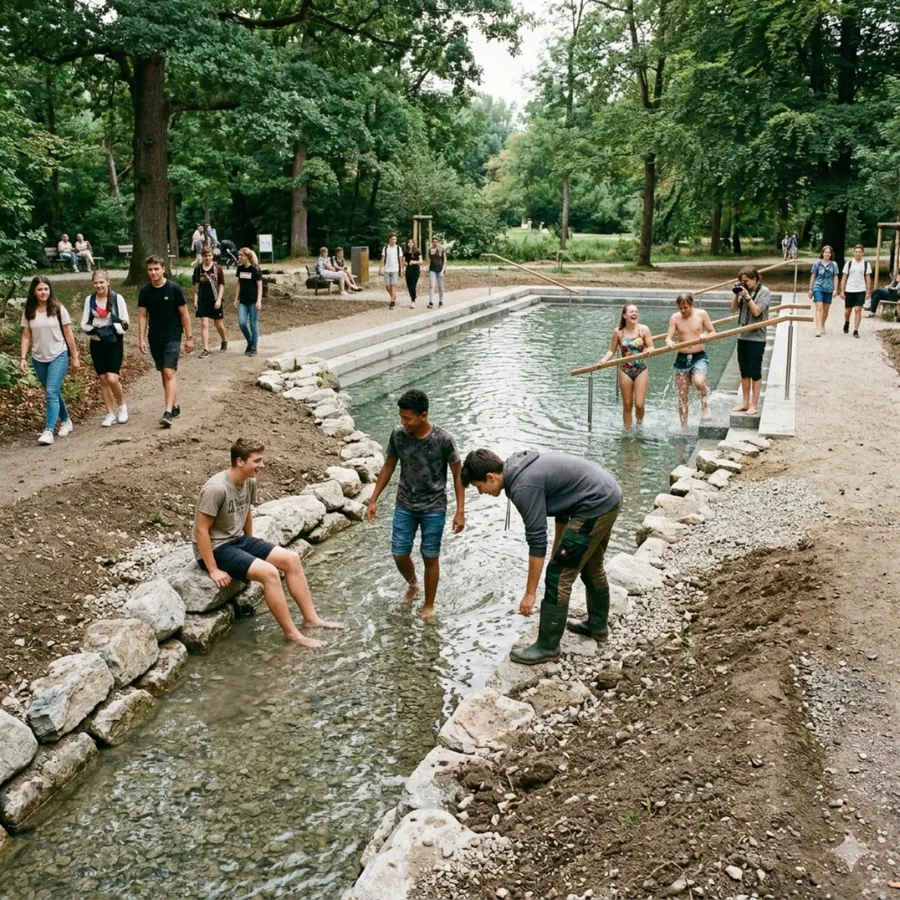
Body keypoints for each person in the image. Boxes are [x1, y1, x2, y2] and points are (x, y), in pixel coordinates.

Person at [461, 448, 622, 665]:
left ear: (491, 477)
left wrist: (530, 593)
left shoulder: (523, 487)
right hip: (607, 495)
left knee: (557, 576)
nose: (481, 493)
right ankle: (597, 626)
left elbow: (537, 540)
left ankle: (547, 647)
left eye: (479, 487)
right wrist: (559, 549)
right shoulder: (519, 468)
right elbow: (564, 503)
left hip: (595, 504)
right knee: (591, 566)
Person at [193, 438, 343, 646]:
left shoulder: (249, 481)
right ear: (240, 461)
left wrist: (251, 542)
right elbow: (201, 530)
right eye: (257, 461)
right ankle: (294, 635)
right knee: (270, 573)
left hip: (238, 540)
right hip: (216, 548)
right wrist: (213, 570)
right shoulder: (216, 488)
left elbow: (246, 512)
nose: (262, 465)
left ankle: (311, 619)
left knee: (291, 559)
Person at [366, 389, 465, 618]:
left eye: (407, 418)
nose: (403, 422)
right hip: (405, 504)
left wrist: (460, 511)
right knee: (399, 553)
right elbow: (388, 466)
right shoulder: (398, 435)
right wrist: (373, 499)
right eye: (401, 417)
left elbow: (458, 475)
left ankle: (429, 605)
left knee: (430, 556)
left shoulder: (444, 439)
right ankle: (413, 584)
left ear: (423, 415)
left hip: (434, 507)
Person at [19, 276, 81, 445]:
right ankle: (66, 420)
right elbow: (26, 335)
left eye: (46, 289)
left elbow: (69, 334)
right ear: (34, 291)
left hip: (58, 354)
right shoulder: (29, 311)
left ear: (50, 290)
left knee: (51, 391)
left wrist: (74, 357)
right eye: (39, 289)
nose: (43, 292)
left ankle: (48, 430)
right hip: (38, 357)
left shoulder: (58, 309)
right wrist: (23, 358)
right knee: (52, 391)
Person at [138, 255, 194, 427]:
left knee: (169, 372)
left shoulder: (174, 288)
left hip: (173, 336)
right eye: (150, 269)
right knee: (163, 372)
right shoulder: (145, 291)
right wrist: (140, 338)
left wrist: (189, 338)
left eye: (156, 269)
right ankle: (174, 406)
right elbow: (142, 316)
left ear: (163, 269)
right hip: (155, 337)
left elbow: (184, 314)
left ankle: (168, 412)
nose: (153, 272)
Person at [81, 269, 130, 426]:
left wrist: (111, 330)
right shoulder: (90, 300)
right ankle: (109, 413)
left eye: (101, 282)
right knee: (102, 379)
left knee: (112, 378)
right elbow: (84, 323)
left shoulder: (117, 299)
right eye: (96, 283)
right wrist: (96, 332)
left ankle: (122, 407)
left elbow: (125, 322)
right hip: (97, 342)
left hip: (114, 341)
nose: (99, 285)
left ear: (108, 282)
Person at [598, 304, 654, 429]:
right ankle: (627, 431)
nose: (634, 313)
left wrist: (648, 350)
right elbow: (611, 351)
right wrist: (603, 360)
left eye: (636, 311)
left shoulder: (644, 329)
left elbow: (651, 346)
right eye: (631, 312)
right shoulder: (618, 331)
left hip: (641, 369)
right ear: (624, 315)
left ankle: (639, 426)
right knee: (627, 404)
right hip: (625, 370)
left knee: (639, 404)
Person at [665, 293, 715, 427]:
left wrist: (705, 334)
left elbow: (712, 331)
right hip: (682, 358)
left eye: (685, 308)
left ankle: (704, 404)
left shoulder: (702, 314)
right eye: (680, 308)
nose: (683, 311)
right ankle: (683, 425)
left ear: (692, 305)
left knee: (699, 382)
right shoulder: (675, 318)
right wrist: (669, 342)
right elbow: (668, 337)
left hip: (699, 356)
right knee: (682, 393)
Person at [730, 265, 771, 415]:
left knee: (755, 372)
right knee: (744, 372)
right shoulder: (742, 292)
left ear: (755, 279)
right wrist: (736, 295)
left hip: (757, 338)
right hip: (743, 335)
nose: (744, 284)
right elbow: (733, 309)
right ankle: (745, 402)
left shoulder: (764, 292)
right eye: (741, 281)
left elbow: (756, 311)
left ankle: (754, 404)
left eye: (746, 281)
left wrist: (747, 296)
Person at [193, 246, 227, 358]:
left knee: (218, 324)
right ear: (202, 256)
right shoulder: (198, 269)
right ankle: (206, 348)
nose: (207, 258)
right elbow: (196, 286)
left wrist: (219, 299)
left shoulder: (218, 268)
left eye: (209, 255)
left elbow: (221, 285)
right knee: (204, 323)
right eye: (205, 256)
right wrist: (195, 300)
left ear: (212, 256)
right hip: (203, 299)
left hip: (215, 299)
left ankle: (224, 340)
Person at [234, 247, 263, 356]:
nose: (239, 258)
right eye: (239, 256)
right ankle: (250, 342)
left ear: (247, 257)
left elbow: (259, 286)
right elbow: (239, 284)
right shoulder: (240, 268)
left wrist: (259, 301)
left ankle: (254, 347)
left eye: (241, 256)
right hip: (243, 301)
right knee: (242, 323)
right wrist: (236, 298)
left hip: (253, 300)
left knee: (253, 324)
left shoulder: (255, 269)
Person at [839, 244, 872, 338]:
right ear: (853, 253)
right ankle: (847, 322)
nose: (858, 254)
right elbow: (844, 277)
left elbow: (868, 278)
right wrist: (842, 290)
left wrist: (868, 291)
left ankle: (856, 330)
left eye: (860, 252)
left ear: (862, 253)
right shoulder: (849, 263)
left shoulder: (866, 264)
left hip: (861, 289)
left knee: (858, 310)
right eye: (856, 252)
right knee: (847, 311)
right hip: (849, 289)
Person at [808, 245, 839, 336]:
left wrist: (835, 289)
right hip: (818, 287)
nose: (827, 254)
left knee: (826, 309)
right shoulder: (817, 263)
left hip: (829, 289)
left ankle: (822, 324)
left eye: (829, 252)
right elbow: (813, 276)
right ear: (822, 253)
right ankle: (817, 329)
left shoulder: (834, 264)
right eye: (825, 252)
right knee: (819, 308)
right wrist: (810, 289)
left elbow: (835, 277)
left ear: (831, 254)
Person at [379, 233, 403, 310]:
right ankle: (394, 296)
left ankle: (392, 301)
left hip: (395, 269)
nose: (393, 241)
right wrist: (380, 268)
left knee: (393, 285)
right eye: (392, 239)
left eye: (395, 239)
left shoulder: (398, 248)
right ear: (389, 239)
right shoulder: (385, 248)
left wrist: (402, 269)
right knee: (387, 287)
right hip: (387, 269)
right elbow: (383, 258)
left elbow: (400, 259)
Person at [427, 237, 447, 309]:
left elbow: (444, 260)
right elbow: (430, 260)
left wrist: (444, 269)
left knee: (440, 286)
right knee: (431, 285)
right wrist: (427, 268)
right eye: (433, 242)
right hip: (432, 269)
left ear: (438, 242)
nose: (435, 243)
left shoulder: (441, 249)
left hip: (440, 269)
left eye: (436, 241)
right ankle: (431, 302)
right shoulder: (430, 250)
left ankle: (441, 301)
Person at [403, 239, 422, 309]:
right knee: (409, 285)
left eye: (411, 242)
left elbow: (421, 261)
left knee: (413, 285)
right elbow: (403, 261)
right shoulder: (406, 251)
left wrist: (414, 262)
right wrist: (405, 263)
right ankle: (413, 295)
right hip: (408, 270)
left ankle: (413, 301)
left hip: (416, 270)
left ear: (414, 243)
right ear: (407, 244)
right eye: (409, 243)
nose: (410, 244)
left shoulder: (417, 251)